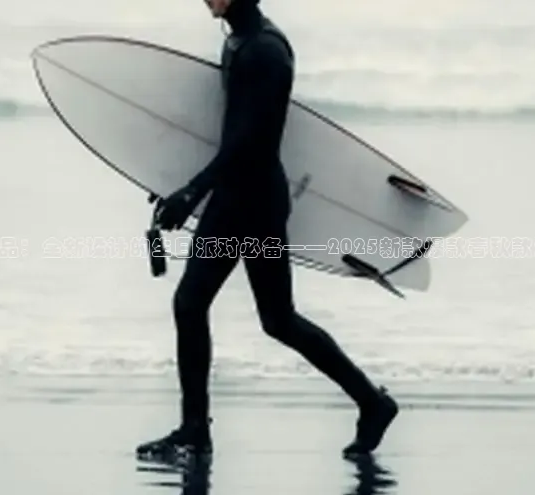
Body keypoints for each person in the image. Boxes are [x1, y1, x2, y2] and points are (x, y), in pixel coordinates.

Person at [136, 0, 398, 461]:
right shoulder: (240, 40)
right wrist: (175, 179)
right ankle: (370, 403)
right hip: (237, 197)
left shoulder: (265, 53)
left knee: (214, 308)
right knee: (269, 318)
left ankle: (196, 430)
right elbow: (226, 132)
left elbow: (250, 142)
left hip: (252, 205)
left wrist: (192, 192)